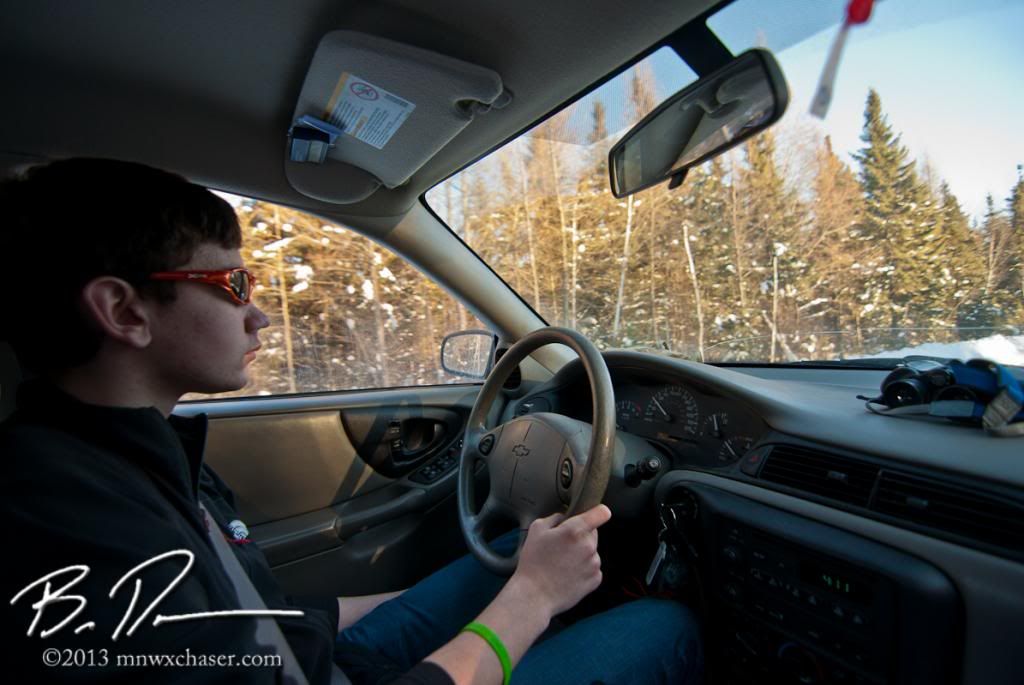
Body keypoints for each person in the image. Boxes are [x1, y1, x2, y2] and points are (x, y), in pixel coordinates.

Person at [0, 158, 702, 684]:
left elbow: (252, 620)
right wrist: (531, 600)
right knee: (664, 624)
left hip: (315, 660)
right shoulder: (69, 524)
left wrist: (479, 591)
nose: (257, 313)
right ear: (124, 311)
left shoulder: (137, 455)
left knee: (511, 556)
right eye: (231, 285)